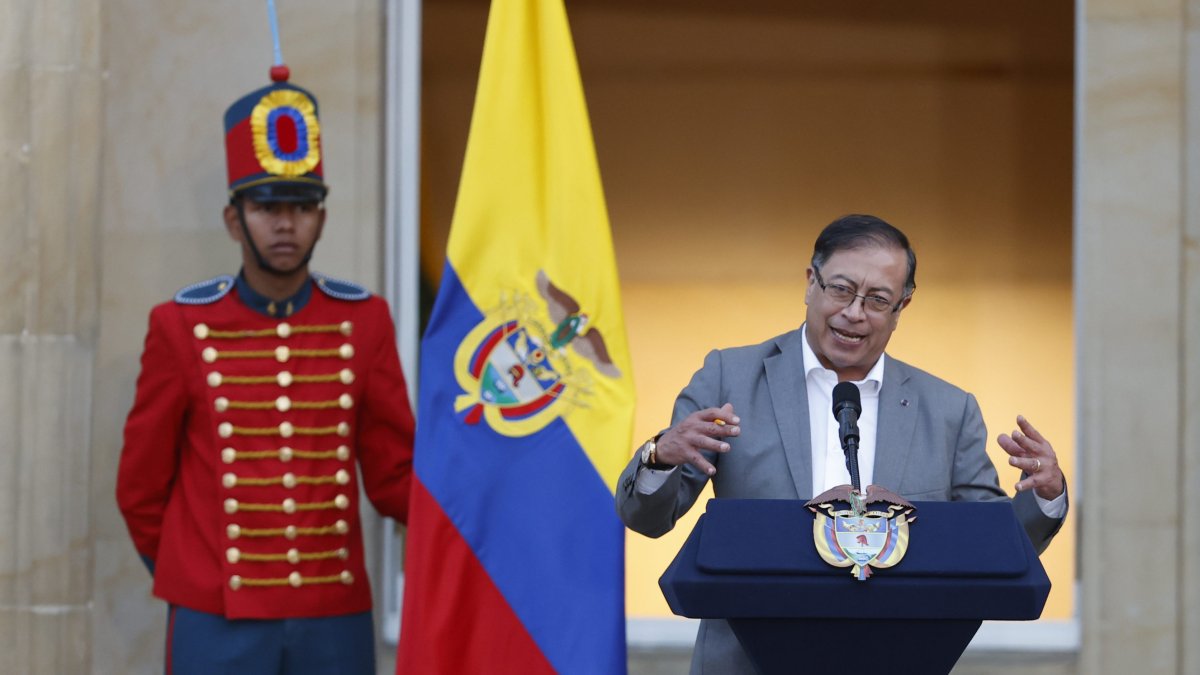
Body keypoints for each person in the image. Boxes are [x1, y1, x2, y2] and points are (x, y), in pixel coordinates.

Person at [616, 214, 1068, 674]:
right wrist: (660, 457)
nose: (854, 312)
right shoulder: (730, 377)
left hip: (895, 659)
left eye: (877, 300)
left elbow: (990, 548)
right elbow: (647, 519)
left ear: (902, 307)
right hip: (743, 661)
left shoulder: (949, 410)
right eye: (841, 289)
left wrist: (1044, 498)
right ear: (811, 282)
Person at [115, 59, 415, 675]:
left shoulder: (364, 323)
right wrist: (196, 576)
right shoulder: (179, 327)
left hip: (333, 619)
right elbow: (140, 489)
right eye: (267, 206)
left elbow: (394, 477)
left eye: (303, 207)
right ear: (234, 219)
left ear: (322, 219)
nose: (286, 223)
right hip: (215, 620)